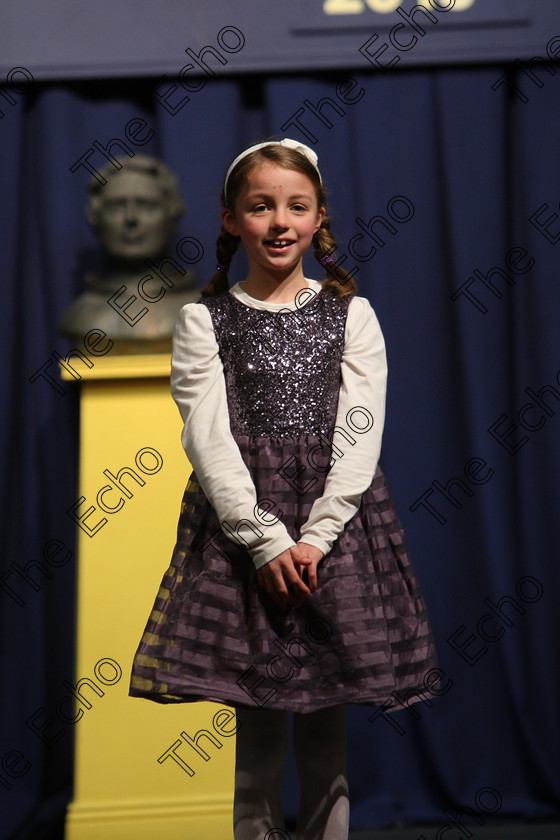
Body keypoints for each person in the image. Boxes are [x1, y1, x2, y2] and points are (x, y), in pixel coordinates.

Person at [129, 138, 438, 839]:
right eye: (261, 206)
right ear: (232, 218)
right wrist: (266, 539)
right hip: (245, 541)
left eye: (296, 207)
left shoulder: (350, 314)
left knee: (327, 749)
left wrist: (316, 538)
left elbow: (360, 434)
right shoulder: (205, 321)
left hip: (335, 538)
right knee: (257, 749)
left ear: (318, 217)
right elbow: (207, 438)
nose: (279, 222)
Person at [58, 155, 199, 352]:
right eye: (116, 206)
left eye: (147, 206)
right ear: (95, 218)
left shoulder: (200, 314)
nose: (131, 218)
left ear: (172, 215)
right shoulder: (80, 315)